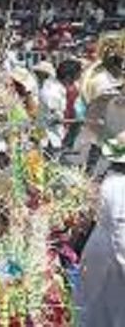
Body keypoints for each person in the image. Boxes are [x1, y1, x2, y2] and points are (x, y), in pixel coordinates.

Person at [80, 130, 125, 326]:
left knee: (97, 306)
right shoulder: (120, 184)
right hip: (112, 255)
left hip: (100, 247)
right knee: (112, 309)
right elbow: (119, 226)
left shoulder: (110, 178)